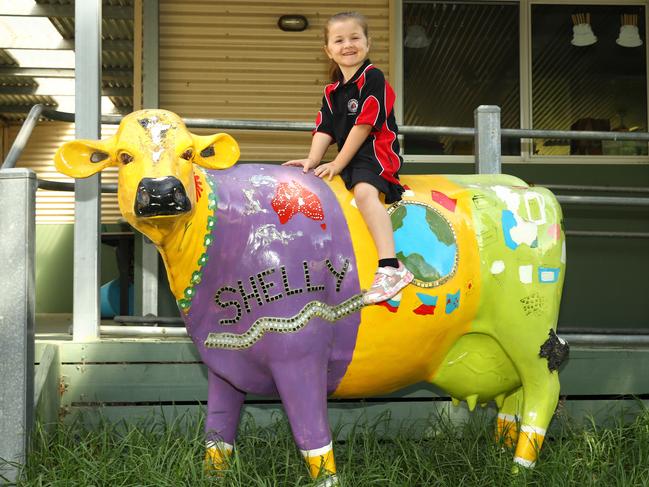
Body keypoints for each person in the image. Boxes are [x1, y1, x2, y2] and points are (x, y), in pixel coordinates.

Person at [284, 11, 413, 305]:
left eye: (355, 37)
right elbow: (324, 128)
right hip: (350, 157)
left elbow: (364, 125)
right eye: (339, 40)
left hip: (375, 153)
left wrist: (338, 163)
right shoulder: (331, 92)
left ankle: (391, 267)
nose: (348, 45)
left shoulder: (373, 77)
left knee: (367, 194)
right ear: (328, 50)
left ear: (368, 43)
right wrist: (312, 161)